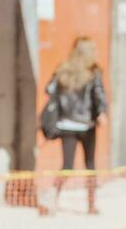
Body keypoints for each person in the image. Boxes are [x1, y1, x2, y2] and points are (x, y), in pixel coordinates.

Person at [42, 37, 108, 214]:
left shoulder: (63, 70)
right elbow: (99, 94)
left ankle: (52, 197)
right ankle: (91, 205)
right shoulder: (93, 72)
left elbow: (49, 90)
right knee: (90, 165)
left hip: (67, 125)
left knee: (67, 165)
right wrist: (102, 112)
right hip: (87, 126)